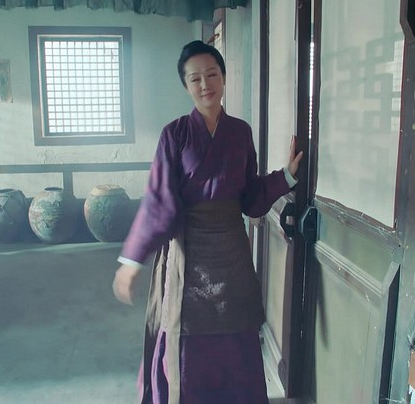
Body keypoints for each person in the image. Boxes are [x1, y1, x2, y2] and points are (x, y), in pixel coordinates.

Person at [113, 40, 303, 404]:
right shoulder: (174, 135)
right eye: (195, 78)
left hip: (232, 257)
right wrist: (132, 260)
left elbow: (250, 198)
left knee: (236, 338)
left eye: (212, 74)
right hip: (189, 257)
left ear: (224, 78)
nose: (205, 85)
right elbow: (159, 203)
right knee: (188, 345)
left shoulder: (241, 132)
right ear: (186, 86)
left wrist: (287, 177)